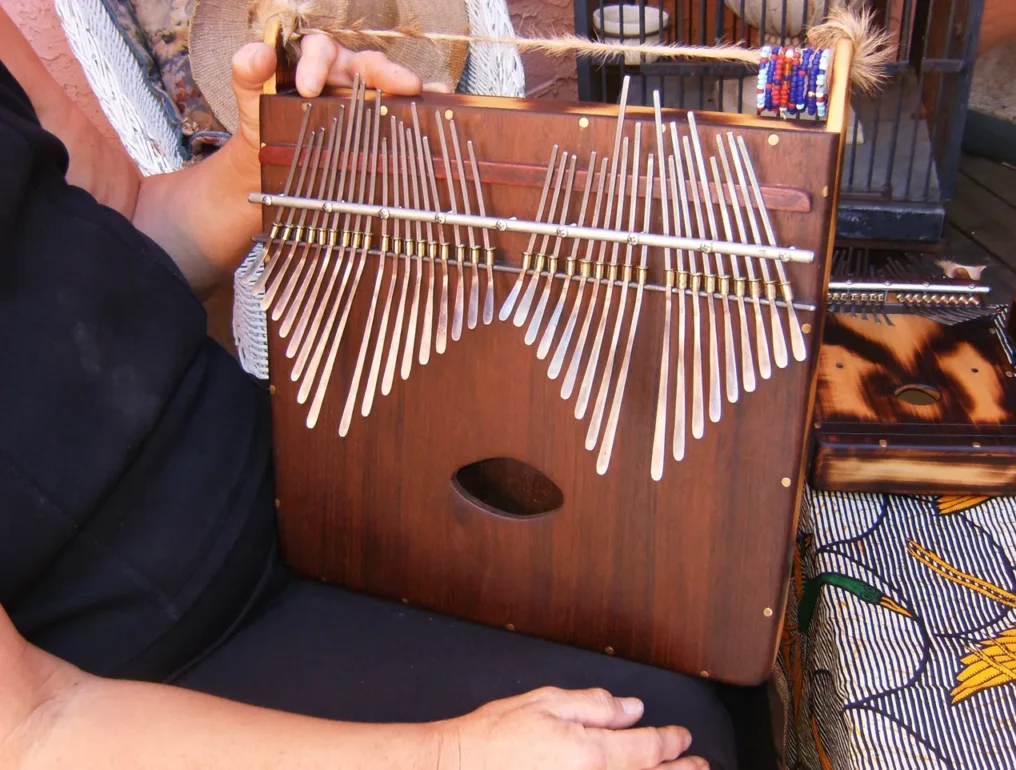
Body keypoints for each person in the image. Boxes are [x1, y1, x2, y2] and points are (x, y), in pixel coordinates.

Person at [0, 7, 737, 769]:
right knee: (668, 729)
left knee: (698, 611)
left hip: (302, 500)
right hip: (137, 681)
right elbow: (31, 730)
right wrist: (451, 755)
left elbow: (124, 235)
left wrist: (272, 154)